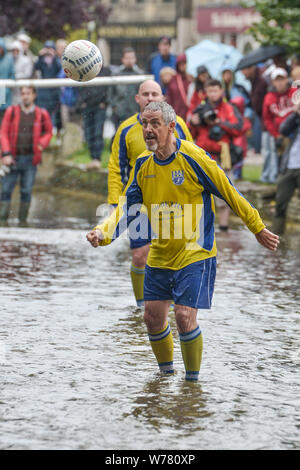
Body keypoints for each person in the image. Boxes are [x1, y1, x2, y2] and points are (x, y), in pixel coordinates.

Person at [87, 101, 279, 382]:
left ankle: (192, 386)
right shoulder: (143, 165)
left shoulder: (194, 158)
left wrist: (257, 227)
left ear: (171, 127)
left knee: (185, 316)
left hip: (195, 253)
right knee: (151, 318)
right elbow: (126, 209)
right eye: (144, 123)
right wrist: (102, 233)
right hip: (161, 253)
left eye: (154, 123)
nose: (148, 129)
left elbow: (230, 192)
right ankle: (165, 378)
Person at [108, 79, 193, 308]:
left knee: (173, 254)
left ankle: (172, 301)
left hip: (171, 202)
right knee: (140, 255)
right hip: (138, 203)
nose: (150, 98)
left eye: (155, 93)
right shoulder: (126, 129)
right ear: (137, 99)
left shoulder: (179, 126)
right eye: (145, 94)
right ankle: (141, 305)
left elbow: (192, 162)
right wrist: (115, 203)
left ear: (163, 98)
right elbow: (116, 167)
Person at [189, 79, 243, 230]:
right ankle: (200, 228)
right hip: (201, 156)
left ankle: (224, 228)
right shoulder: (199, 109)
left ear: (221, 91)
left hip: (222, 156)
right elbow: (189, 134)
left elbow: (239, 128)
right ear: (206, 92)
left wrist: (220, 123)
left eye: (215, 90)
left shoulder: (229, 108)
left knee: (225, 192)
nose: (213, 94)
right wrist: (193, 122)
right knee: (197, 192)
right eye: (210, 91)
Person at [0, 86, 52, 225]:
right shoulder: (11, 111)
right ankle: (2, 221)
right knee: (5, 190)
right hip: (12, 158)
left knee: (26, 191)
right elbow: (3, 133)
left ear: (34, 95)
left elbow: (49, 132)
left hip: (30, 159)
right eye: (23, 94)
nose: (25, 96)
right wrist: (5, 153)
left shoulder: (41, 114)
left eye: (28, 93)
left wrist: (41, 144)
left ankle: (23, 222)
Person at [261, 67, 295, 183]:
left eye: (282, 79)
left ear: (286, 79)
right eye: (277, 80)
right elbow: (267, 118)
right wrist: (276, 135)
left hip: (295, 131)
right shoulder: (269, 97)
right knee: (281, 158)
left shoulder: (294, 92)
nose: (280, 83)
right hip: (280, 133)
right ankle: (282, 180)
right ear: (273, 82)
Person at [272, 102, 300, 235]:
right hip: (289, 166)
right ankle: (276, 241)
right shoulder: (295, 119)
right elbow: (283, 129)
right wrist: (295, 114)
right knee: (280, 204)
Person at [78, 65, 111, 169]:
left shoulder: (105, 71)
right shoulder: (83, 70)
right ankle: (92, 157)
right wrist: (82, 101)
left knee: (97, 132)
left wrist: (105, 102)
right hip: (87, 106)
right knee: (88, 133)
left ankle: (97, 158)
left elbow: (109, 88)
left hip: (100, 107)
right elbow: (79, 87)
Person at [110, 48, 144, 132]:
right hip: (120, 113)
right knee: (119, 135)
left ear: (135, 59)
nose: (129, 60)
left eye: (131, 58)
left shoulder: (140, 75)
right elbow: (110, 92)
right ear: (123, 59)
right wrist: (114, 107)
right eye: (127, 58)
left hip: (135, 112)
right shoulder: (116, 74)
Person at [34, 41, 62, 130]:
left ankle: (51, 132)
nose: (48, 51)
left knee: (52, 115)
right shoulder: (42, 60)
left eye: (51, 48)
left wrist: (55, 56)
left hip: (53, 92)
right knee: (41, 114)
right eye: (47, 48)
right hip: (43, 92)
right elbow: (36, 67)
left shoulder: (56, 61)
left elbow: (60, 68)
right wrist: (40, 56)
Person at [240, 64, 268, 155]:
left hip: (262, 115)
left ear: (251, 69)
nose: (242, 73)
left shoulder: (261, 81)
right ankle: (257, 148)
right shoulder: (253, 81)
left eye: (244, 70)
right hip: (258, 113)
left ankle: (257, 148)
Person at [166, 53, 192, 120]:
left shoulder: (191, 79)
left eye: (184, 63)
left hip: (189, 114)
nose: (183, 65)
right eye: (181, 63)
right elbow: (169, 97)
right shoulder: (173, 79)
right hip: (176, 113)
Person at [10, 40, 33, 105]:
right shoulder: (10, 60)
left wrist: (15, 76)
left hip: (23, 87)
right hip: (11, 88)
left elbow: (28, 74)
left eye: (17, 50)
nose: (15, 52)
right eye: (13, 50)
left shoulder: (26, 60)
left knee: (22, 105)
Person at [0, 38, 15, 123]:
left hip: (6, 92)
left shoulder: (9, 59)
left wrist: (8, 88)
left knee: (5, 118)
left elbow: (12, 74)